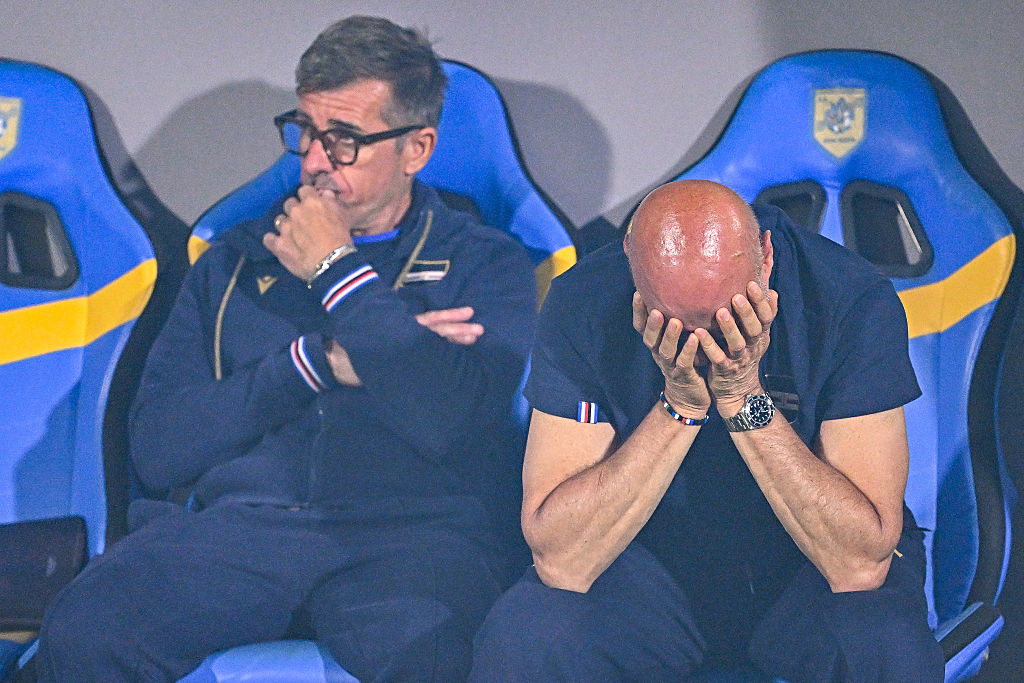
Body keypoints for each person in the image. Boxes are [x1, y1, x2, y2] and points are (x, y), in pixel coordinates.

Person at [32, 16, 537, 682]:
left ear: (416, 149)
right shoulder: (234, 263)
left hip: (416, 537)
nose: (314, 161)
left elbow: (448, 419)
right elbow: (158, 448)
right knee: (87, 628)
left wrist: (336, 270)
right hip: (245, 530)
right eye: (305, 131)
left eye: (345, 140)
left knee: (447, 648)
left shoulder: (485, 263)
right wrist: (316, 363)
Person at [470, 179, 944, 681]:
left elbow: (859, 563)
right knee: (526, 638)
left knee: (883, 645)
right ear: (631, 262)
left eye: (726, 317)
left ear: (765, 258)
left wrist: (743, 398)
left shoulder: (848, 298)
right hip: (653, 562)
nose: (702, 342)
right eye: (675, 321)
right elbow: (560, 559)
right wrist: (679, 407)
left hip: (801, 565)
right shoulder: (583, 299)